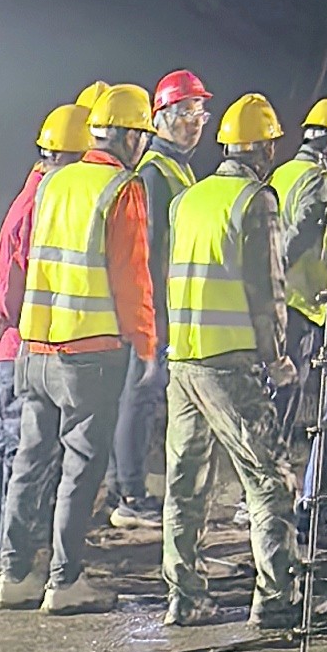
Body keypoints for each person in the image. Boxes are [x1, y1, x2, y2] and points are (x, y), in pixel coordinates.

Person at [0, 82, 156, 616]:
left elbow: (20, 255)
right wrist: (147, 342)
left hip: (35, 348)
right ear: (131, 137)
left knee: (29, 461)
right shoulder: (121, 189)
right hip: (90, 351)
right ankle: (64, 581)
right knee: (81, 467)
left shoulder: (52, 182)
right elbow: (131, 278)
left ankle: (13, 576)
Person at [163, 94, 300, 631]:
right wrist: (279, 359)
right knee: (270, 480)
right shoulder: (256, 200)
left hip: (184, 361)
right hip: (230, 362)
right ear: (266, 147)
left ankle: (185, 597)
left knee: (186, 484)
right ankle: (275, 598)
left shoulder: (190, 199)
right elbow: (267, 289)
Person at [0, 105, 89, 575]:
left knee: (4, 446)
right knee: (18, 451)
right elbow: (17, 271)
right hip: (21, 342)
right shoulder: (44, 200)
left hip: (12, 341)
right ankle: (2, 553)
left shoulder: (35, 191)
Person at [107, 67, 209, 529]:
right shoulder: (154, 171)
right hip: (157, 304)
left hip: (169, 302)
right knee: (140, 394)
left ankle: (123, 486)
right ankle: (129, 494)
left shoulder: (176, 168)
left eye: (200, 111)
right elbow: (146, 248)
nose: (195, 120)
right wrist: (152, 314)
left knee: (143, 394)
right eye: (185, 111)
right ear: (160, 117)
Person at [271, 96, 327, 447]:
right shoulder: (320, 179)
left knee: (273, 387)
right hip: (300, 299)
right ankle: (270, 468)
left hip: (278, 296)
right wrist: (277, 271)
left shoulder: (283, 171)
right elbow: (300, 233)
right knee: (288, 388)